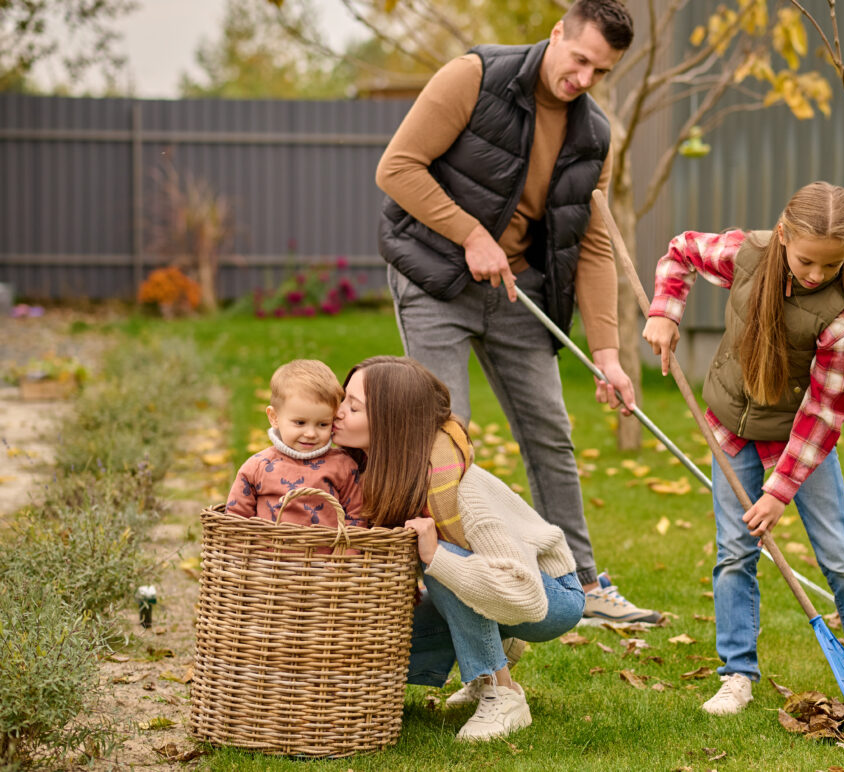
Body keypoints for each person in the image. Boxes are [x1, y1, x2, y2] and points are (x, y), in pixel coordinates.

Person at [374, 0, 659, 624]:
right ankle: (443, 590)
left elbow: (592, 242)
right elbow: (396, 169)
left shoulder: (593, 135)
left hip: (517, 292)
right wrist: (470, 233)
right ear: (557, 34)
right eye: (579, 59)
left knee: (550, 434)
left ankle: (582, 586)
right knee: (446, 438)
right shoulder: (473, 77)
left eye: (600, 72)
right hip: (435, 277)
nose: (583, 79)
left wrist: (607, 354)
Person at [642, 182, 844, 718]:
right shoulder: (748, 256)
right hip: (730, 428)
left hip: (800, 443)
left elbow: (824, 413)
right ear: (782, 235)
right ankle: (736, 675)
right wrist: (665, 311)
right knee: (734, 553)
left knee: (841, 558)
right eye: (806, 261)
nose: (816, 274)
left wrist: (779, 491)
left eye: (831, 265)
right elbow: (681, 249)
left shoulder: (838, 315)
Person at [333, 356, 586, 742]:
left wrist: (437, 558)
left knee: (437, 558)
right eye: (342, 400)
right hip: (491, 586)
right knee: (374, 647)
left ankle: (499, 689)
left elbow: (527, 597)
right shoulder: (378, 475)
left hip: (549, 596)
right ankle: (489, 647)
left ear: (391, 422)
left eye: (353, 407)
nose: (338, 413)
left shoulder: (463, 492)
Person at [227, 359, 363, 528]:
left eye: (323, 424)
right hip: (266, 553)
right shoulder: (259, 466)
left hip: (327, 554)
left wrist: (347, 553)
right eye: (300, 423)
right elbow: (236, 516)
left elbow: (356, 517)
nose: (311, 434)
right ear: (274, 418)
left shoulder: (343, 466)